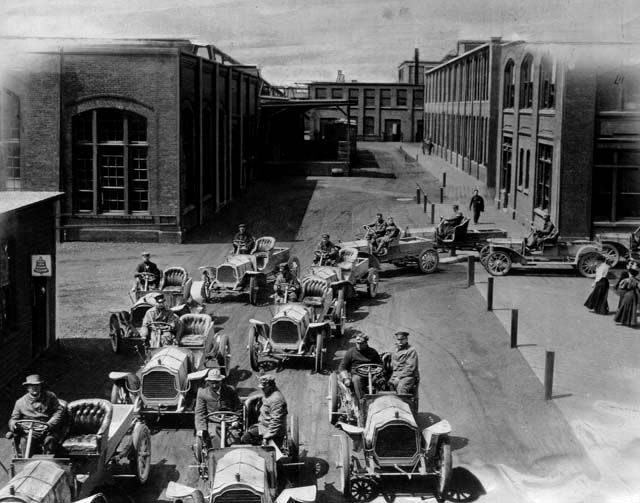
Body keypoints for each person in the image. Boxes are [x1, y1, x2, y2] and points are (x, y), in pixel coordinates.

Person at [8, 375, 66, 456]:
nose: (35, 388)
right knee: (25, 441)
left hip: (47, 430)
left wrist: (50, 424)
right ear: (27, 387)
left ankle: (47, 465)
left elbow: (59, 411)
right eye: (32, 386)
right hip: (29, 431)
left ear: (40, 386)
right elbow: (14, 419)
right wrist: (14, 425)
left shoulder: (50, 396)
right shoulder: (20, 402)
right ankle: (26, 465)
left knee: (51, 440)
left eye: (37, 385)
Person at [194, 369, 242, 450]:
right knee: (214, 437)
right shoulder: (202, 393)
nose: (214, 385)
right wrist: (201, 429)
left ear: (221, 381)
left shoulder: (230, 390)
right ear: (208, 381)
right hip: (213, 421)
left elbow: (238, 407)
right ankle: (215, 456)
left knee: (235, 437)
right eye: (212, 383)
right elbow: (200, 413)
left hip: (229, 421)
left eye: (217, 382)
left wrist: (236, 421)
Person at [241, 375, 288, 447]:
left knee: (245, 439)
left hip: (272, 431)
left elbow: (276, 422)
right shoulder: (270, 392)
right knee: (246, 437)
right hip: (263, 426)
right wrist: (253, 398)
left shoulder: (277, 400)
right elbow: (266, 397)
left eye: (264, 388)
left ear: (270, 386)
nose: (262, 390)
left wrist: (266, 437)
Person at [338, 333, 382, 401]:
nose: (359, 345)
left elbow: (380, 364)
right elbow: (342, 367)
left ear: (366, 343)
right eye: (357, 343)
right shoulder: (351, 352)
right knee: (356, 379)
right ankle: (362, 401)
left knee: (381, 381)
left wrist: (378, 370)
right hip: (357, 374)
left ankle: (380, 401)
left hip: (372, 375)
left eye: (361, 343)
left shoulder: (373, 352)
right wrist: (345, 378)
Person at [388, 331, 420, 396]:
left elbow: (410, 368)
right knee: (384, 388)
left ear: (406, 339)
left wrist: (399, 378)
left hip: (407, 376)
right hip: (395, 374)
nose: (400, 342)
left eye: (402, 339)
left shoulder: (411, 351)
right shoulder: (394, 350)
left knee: (401, 388)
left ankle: (404, 405)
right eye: (398, 339)